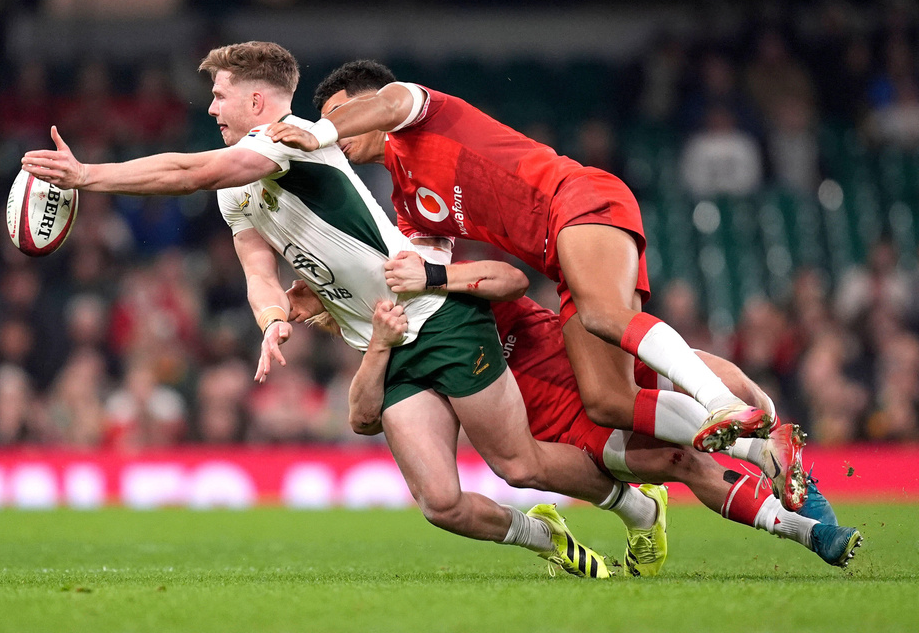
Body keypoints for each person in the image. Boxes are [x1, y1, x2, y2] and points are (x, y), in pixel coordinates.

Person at [21, 41, 664, 578]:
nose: (210, 106)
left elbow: (190, 170)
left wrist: (90, 177)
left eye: (219, 94)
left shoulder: (284, 143)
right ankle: (549, 541)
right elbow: (256, 271)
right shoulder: (238, 192)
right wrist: (273, 321)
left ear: (256, 100)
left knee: (517, 464)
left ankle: (639, 511)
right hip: (381, 341)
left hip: (436, 316)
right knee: (441, 504)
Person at [268, 60, 807, 511]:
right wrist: (320, 287)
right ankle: (768, 446)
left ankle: (726, 405)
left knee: (602, 316)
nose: (334, 132)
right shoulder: (407, 207)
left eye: (339, 115)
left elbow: (388, 103)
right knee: (608, 401)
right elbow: (403, 277)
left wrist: (319, 130)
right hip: (556, 254)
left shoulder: (419, 113)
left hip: (574, 198)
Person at [286, 260, 863, 569]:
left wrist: (438, 277)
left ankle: (783, 462)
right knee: (682, 461)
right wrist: (381, 349)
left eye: (301, 290)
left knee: (712, 378)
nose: (296, 303)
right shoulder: (378, 343)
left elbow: (510, 278)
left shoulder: (416, 277)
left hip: (578, 356)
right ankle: (811, 531)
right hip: (553, 418)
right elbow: (362, 416)